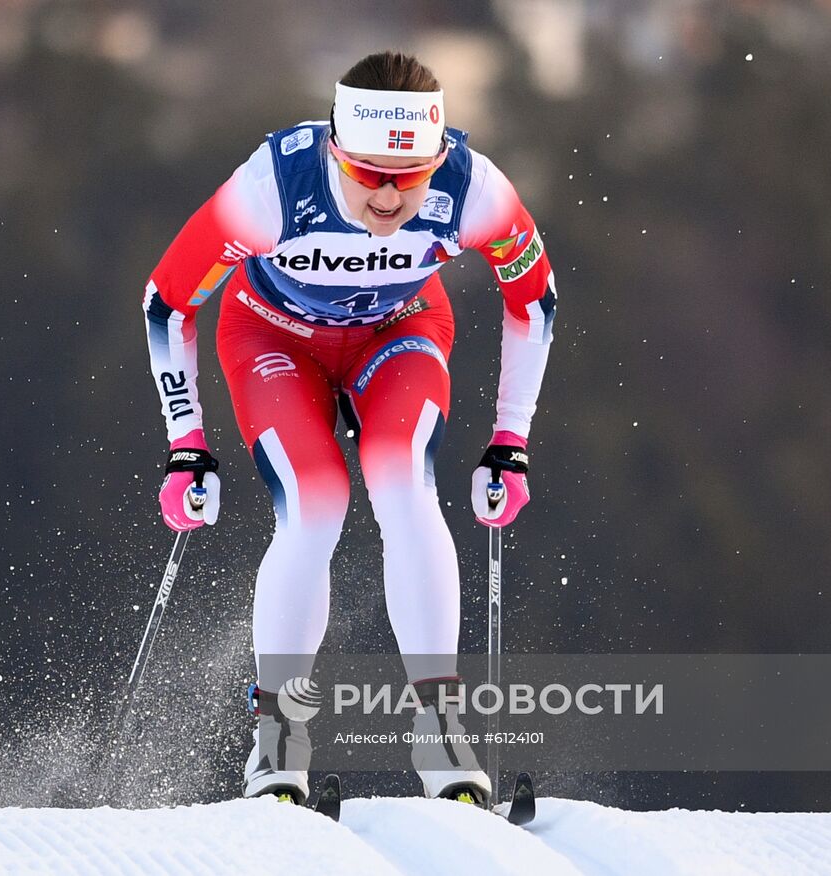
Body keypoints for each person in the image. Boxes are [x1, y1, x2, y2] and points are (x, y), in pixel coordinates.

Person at [142, 51, 556, 805]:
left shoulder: (473, 188)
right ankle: (279, 737)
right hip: (273, 338)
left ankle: (440, 727)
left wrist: (511, 440)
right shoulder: (272, 189)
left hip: (399, 330)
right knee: (317, 505)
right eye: (368, 175)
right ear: (335, 151)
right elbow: (168, 302)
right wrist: (186, 442)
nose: (392, 198)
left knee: (405, 488)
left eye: (411, 175)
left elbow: (536, 299)